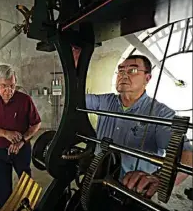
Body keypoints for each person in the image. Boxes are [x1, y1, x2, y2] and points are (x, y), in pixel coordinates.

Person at [82, 54, 193, 198]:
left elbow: (187, 155)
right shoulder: (104, 102)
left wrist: (160, 179)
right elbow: (75, 99)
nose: (124, 75)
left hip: (134, 193)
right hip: (96, 181)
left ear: (147, 79)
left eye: (132, 71)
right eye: (121, 71)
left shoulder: (160, 114)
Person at [0, 64, 41, 208]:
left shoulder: (25, 100)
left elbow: (36, 124)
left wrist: (22, 141)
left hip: (22, 150)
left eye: (12, 85)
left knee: (26, 183)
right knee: (3, 188)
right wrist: (5, 133)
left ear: (16, 81)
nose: (9, 91)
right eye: (3, 86)